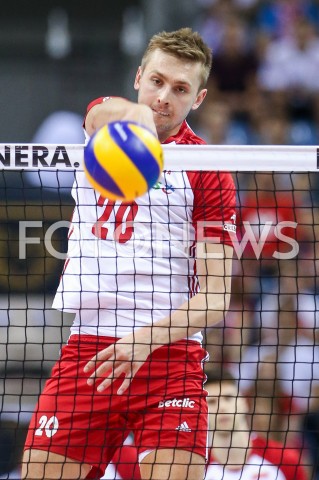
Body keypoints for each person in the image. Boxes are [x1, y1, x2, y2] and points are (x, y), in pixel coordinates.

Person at [21, 27, 236, 480]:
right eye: (157, 81)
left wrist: (142, 343)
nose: (164, 97)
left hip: (170, 358)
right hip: (89, 351)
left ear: (197, 99)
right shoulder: (103, 127)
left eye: (180, 89)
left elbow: (215, 299)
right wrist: (134, 119)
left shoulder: (208, 170)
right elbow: (102, 113)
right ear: (139, 76)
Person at [204, 368, 309, 480]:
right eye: (212, 401)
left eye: (228, 398)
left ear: (244, 402)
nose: (222, 407)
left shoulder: (286, 460)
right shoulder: (195, 467)